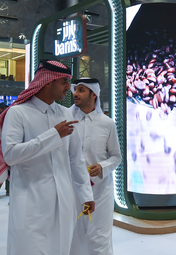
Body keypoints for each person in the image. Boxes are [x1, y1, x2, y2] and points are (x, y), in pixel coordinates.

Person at [0, 59, 95, 255]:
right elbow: (10, 155)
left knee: (60, 249)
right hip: (30, 201)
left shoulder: (66, 114)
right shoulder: (18, 113)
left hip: (64, 201)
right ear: (47, 82)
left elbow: (75, 159)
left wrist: (86, 195)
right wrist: (53, 135)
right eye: (64, 82)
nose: (69, 88)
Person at [69, 78, 122, 255]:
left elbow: (116, 157)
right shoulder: (65, 120)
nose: (75, 94)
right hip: (72, 189)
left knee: (100, 237)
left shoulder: (107, 123)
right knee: (73, 236)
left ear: (94, 95)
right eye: (75, 90)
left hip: (100, 191)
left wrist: (102, 166)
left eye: (81, 90)